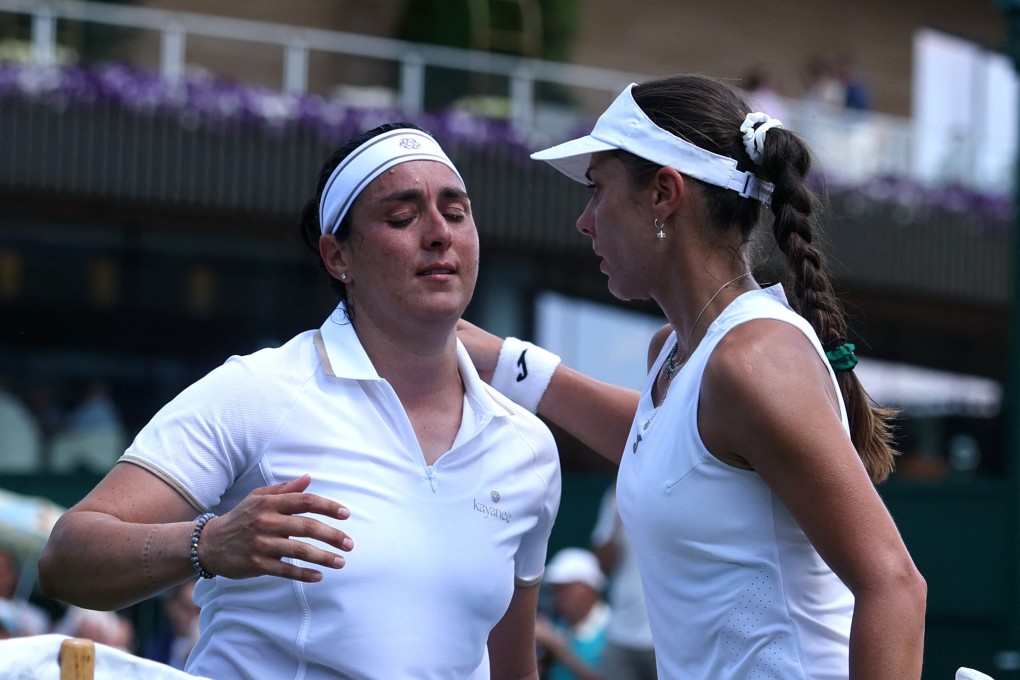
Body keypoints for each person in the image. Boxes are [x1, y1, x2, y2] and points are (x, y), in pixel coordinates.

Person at [38, 122, 562, 679]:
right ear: (338, 257)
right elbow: (67, 557)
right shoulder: (259, 389)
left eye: (456, 213)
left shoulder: (527, 447)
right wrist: (208, 543)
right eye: (402, 217)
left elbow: (512, 669)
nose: (438, 233)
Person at [457, 74, 926, 678]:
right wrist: (505, 361)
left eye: (597, 190)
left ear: (663, 194)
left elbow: (895, 588)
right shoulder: (681, 353)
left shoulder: (752, 360)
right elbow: (677, 448)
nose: (585, 220)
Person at [589, 485, 656, 680]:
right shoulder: (616, 493)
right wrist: (616, 520)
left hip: (668, 636)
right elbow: (602, 565)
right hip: (621, 634)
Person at [535, 548, 610, 680]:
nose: (558, 597)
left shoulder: (614, 629)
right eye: (556, 590)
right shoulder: (556, 625)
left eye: (565, 589)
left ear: (588, 588)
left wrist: (555, 644)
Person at [141, 580, 200, 671]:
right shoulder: (156, 646)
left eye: (197, 610)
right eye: (186, 607)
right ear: (172, 606)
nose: (192, 615)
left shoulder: (206, 648)